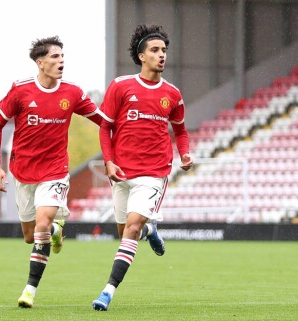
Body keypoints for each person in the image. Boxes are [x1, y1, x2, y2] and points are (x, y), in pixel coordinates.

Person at [0, 36, 104, 308]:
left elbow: (102, 119)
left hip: (55, 171)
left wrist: (126, 129)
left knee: (40, 226)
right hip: (23, 172)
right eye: (54, 57)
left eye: (62, 56)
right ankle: (55, 230)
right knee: (31, 235)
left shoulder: (73, 92)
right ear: (40, 63)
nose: (61, 61)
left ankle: (29, 289)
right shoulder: (20, 90)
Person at [92, 24, 194, 311]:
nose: (161, 55)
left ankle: (107, 291)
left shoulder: (172, 94)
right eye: (155, 50)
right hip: (121, 172)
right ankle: (151, 232)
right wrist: (109, 162)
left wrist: (184, 154)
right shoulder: (121, 86)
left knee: (131, 227)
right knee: (126, 229)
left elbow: (181, 131)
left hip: (155, 172)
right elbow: (105, 128)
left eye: (164, 50)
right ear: (141, 56)